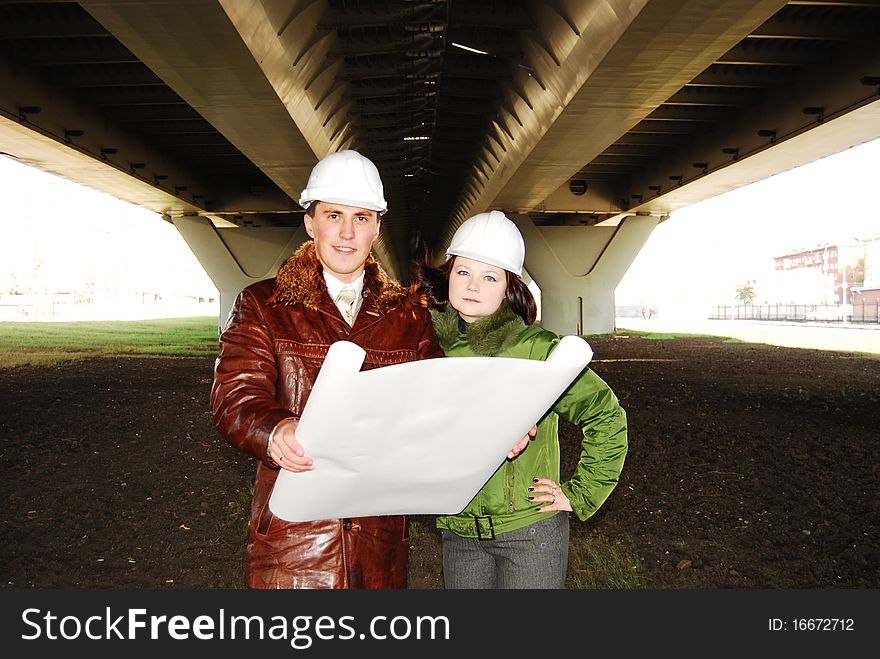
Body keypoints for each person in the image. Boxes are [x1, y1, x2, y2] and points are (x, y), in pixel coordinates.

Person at [210, 149, 444, 589]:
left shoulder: (409, 315)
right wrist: (275, 430)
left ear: (377, 227)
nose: (346, 232)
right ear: (310, 222)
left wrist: (495, 423)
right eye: (333, 215)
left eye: (361, 218)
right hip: (295, 547)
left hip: (380, 545)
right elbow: (235, 398)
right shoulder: (264, 304)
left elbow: (440, 401)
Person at [414, 210, 628, 589]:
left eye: (490, 276)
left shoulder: (540, 350)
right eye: (464, 272)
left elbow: (605, 414)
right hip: (459, 530)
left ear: (509, 286)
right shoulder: (427, 346)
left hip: (531, 530)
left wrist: (581, 492)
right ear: (448, 275)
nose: (473, 286)